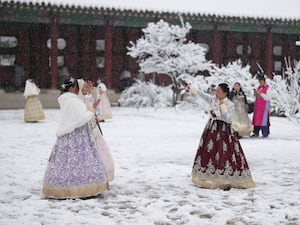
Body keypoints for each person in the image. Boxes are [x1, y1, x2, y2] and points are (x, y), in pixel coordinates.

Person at [42, 77, 108, 199]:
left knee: (68, 161)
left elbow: (80, 112)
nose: (79, 89)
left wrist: (91, 105)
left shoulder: (69, 99)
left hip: (71, 135)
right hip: (77, 136)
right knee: (79, 159)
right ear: (72, 88)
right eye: (77, 87)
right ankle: (78, 187)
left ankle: (68, 186)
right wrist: (92, 109)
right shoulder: (71, 101)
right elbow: (81, 118)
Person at [184, 82, 256, 190]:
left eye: (218, 91)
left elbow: (227, 118)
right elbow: (202, 95)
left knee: (224, 152)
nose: (216, 93)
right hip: (212, 128)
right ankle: (207, 175)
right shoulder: (213, 99)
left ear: (225, 93)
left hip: (224, 131)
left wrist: (222, 106)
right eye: (216, 90)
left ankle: (225, 176)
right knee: (209, 151)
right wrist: (191, 88)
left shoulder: (230, 104)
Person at [77, 78, 115, 182]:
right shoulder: (78, 101)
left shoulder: (84, 98)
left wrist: (93, 94)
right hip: (85, 131)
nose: (87, 89)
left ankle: (99, 174)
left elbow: (94, 103)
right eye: (84, 87)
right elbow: (86, 112)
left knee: (98, 152)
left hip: (93, 128)